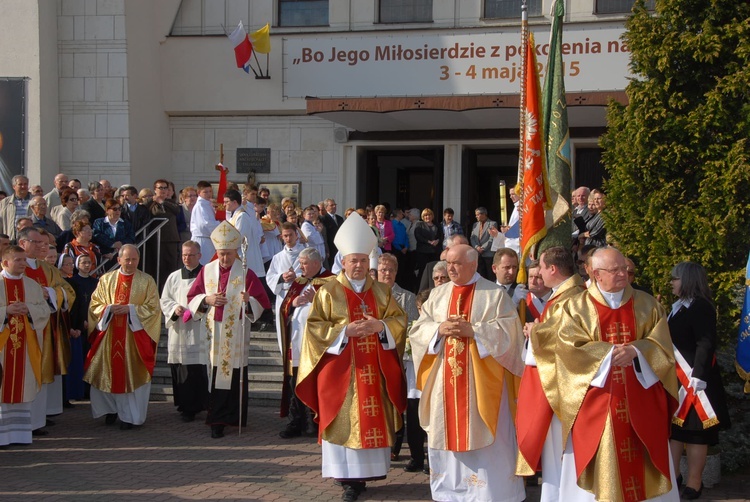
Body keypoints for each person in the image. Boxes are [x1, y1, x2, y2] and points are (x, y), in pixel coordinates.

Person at [535, 247, 679, 501]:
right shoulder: (575, 307)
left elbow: (663, 348)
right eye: (615, 270)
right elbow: (567, 350)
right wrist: (606, 355)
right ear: (597, 274)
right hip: (597, 402)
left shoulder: (648, 305)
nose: (623, 274)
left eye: (624, 268)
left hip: (641, 403)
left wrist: (636, 351)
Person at [295, 214, 407, 502]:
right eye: (352, 260)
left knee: (370, 415)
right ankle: (347, 479)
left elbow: (399, 320)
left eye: (362, 260)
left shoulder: (382, 291)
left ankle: (368, 473)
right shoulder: (328, 290)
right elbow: (315, 327)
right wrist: (345, 331)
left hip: (374, 369)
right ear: (342, 262)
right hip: (339, 372)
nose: (358, 266)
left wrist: (379, 326)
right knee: (342, 419)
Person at [409, 243, 526, 501]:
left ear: (473, 265)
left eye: (457, 263)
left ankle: (492, 494)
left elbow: (511, 334)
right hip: (445, 384)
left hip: (482, 386)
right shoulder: (438, 295)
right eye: (448, 263)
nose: (450, 268)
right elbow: (417, 331)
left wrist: (474, 331)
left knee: (490, 441)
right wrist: (438, 330)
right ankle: (451, 494)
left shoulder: (493, 294)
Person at [187, 221, 270, 439]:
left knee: (234, 374)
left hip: (237, 332)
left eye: (229, 254)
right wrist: (208, 299)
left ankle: (234, 416)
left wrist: (249, 300)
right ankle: (217, 420)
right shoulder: (207, 271)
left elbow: (263, 303)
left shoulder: (245, 272)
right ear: (216, 252)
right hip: (214, 331)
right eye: (222, 254)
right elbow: (192, 298)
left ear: (236, 252)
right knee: (217, 375)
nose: (225, 259)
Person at [515, 246, 585, 502]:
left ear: (553, 269)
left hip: (564, 392)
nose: (539, 274)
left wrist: (535, 331)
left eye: (542, 268)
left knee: (561, 452)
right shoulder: (564, 296)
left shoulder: (570, 298)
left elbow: (568, 342)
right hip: (559, 387)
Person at [668, 262, 730, 499]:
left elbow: (705, 343)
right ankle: (674, 478)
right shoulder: (677, 308)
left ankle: (695, 482)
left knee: (695, 433)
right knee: (674, 430)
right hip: (677, 380)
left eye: (675, 278)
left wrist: (698, 377)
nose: (672, 282)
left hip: (696, 382)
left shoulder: (701, 307)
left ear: (688, 280)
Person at [84, 244, 160, 429]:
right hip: (109, 336)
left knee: (132, 375)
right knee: (104, 372)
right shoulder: (106, 279)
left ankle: (130, 417)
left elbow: (154, 309)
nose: (131, 263)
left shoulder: (147, 281)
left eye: (134, 259)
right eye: (127, 259)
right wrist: (108, 309)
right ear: (118, 260)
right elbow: (95, 305)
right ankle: (110, 410)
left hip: (134, 339)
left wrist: (130, 310)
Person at [18, 227, 76, 429]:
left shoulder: (48, 269)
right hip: (21, 329)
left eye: (43, 243)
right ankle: (23, 422)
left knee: (41, 371)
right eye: (36, 242)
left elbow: (67, 290)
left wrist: (51, 293)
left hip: (46, 328)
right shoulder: (15, 267)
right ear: (22, 244)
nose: (42, 246)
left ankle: (37, 419)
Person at [277, 247, 333, 439]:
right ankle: (295, 422)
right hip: (297, 343)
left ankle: (315, 423)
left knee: (315, 382)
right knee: (295, 383)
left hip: (318, 345)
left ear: (317, 263)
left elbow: (337, 312)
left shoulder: (331, 282)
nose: (300, 266)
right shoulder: (298, 282)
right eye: (300, 263)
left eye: (304, 263)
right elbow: (283, 306)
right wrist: (292, 304)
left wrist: (316, 299)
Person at [0, 245, 51, 446]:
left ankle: (20, 435)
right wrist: (6, 311)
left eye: (24, 260)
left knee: (23, 386)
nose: (23, 264)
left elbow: (44, 311)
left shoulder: (31, 285)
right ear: (5, 262)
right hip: (3, 349)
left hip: (26, 348)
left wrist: (29, 309)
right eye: (18, 260)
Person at [376, 254, 420, 467]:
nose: (387, 273)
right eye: (383, 269)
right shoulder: (369, 296)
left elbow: (412, 328)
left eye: (391, 270)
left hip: (399, 357)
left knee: (397, 400)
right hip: (375, 356)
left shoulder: (407, 298)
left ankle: (396, 445)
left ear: (396, 272)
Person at [160, 241, 209, 423]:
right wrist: (175, 309)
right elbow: (165, 299)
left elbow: (211, 298)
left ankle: (202, 403)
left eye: (191, 255)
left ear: (199, 255)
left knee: (200, 367)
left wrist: (196, 311)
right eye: (184, 255)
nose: (187, 258)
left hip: (199, 328)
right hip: (180, 328)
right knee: (182, 368)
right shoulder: (174, 277)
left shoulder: (207, 275)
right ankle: (185, 407)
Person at [266, 222, 306, 353]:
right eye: (285, 236)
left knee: (300, 330)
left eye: (290, 235)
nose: (288, 239)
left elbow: (315, 273)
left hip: (301, 296)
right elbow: (270, 277)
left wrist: (297, 276)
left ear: (296, 235)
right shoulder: (277, 257)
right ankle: (286, 364)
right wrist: (281, 277)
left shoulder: (306, 254)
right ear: (282, 237)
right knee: (284, 331)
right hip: (283, 296)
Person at [66, 254, 98, 402]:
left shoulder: (96, 282)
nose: (86, 265)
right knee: (79, 359)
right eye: (83, 262)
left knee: (91, 358)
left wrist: (92, 320)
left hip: (93, 325)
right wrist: (80, 323)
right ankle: (78, 389)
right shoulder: (72, 282)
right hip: (79, 326)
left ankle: (89, 389)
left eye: (89, 262)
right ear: (77, 265)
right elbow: (74, 306)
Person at [147, 180, 182, 289]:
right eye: (160, 188)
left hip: (170, 239)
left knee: (170, 267)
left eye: (165, 188)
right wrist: (155, 201)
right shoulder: (150, 202)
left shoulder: (171, 202)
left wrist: (162, 202)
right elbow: (153, 212)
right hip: (156, 239)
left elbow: (176, 211)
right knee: (157, 268)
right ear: (155, 190)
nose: (163, 190)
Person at [224, 189, 265, 279]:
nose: (224, 204)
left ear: (234, 202)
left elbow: (240, 239)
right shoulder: (235, 216)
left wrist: (225, 245)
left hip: (245, 257)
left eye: (226, 202)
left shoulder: (242, 217)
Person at [190, 181, 219, 265]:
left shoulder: (208, 204)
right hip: (202, 240)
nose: (209, 194)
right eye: (205, 192)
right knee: (204, 264)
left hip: (209, 240)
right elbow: (204, 225)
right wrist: (220, 224)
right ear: (199, 192)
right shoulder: (200, 206)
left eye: (210, 191)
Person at [414, 208, 443, 288]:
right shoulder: (419, 224)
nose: (428, 217)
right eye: (426, 215)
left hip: (435, 252)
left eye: (429, 215)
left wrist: (437, 240)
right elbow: (418, 236)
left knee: (434, 270)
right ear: (423, 216)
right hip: (423, 252)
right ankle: (421, 288)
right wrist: (428, 242)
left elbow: (441, 236)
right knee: (423, 271)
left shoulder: (437, 225)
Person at [0, 175, 32, 241]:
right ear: (14, 186)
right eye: (20, 184)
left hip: (31, 239)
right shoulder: (4, 203)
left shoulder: (35, 200)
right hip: (11, 240)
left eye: (25, 184)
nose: (23, 186)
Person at [470, 206, 496, 280]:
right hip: (478, 253)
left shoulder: (492, 224)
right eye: (476, 215)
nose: (476, 216)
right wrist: (477, 247)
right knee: (480, 274)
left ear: (484, 214)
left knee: (490, 274)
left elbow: (491, 238)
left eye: (478, 214)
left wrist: (483, 248)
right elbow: (472, 238)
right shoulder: (475, 225)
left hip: (488, 253)